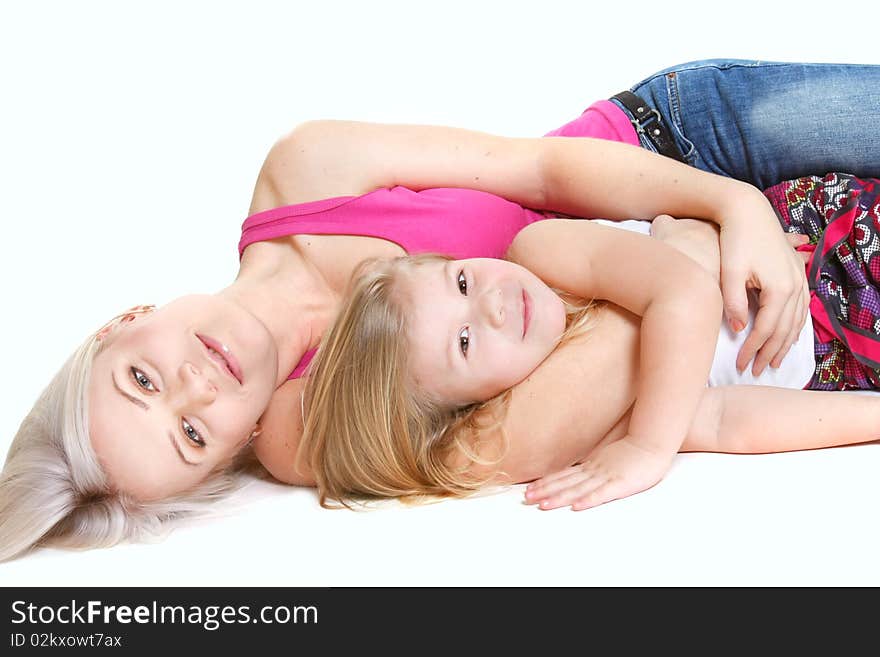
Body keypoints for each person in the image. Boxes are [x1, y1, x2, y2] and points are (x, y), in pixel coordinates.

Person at [2, 59, 879, 562]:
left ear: (120, 320)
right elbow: (591, 400)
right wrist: (681, 255)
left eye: (142, 377)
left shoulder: (302, 170)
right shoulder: (311, 422)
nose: (194, 387)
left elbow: (542, 173)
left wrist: (729, 207)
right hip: (758, 306)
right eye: (192, 434)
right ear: (222, 458)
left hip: (673, 143)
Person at [299, 172, 880, 509]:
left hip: (825, 257)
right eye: (467, 341)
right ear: (466, 410)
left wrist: (647, 451)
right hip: (837, 361)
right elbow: (725, 418)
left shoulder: (543, 253)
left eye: (462, 280)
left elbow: (685, 294)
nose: (494, 303)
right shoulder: (579, 418)